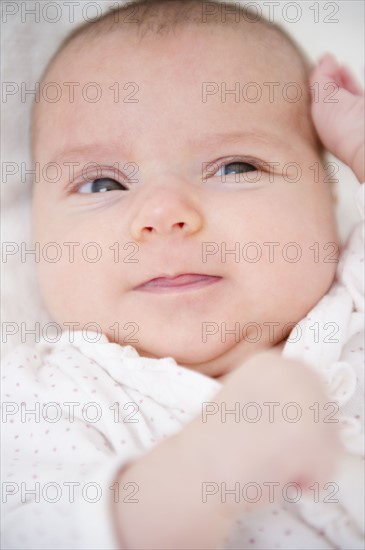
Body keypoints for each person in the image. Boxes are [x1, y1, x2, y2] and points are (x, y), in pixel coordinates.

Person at [2, 1, 364, 548]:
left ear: (327, 189)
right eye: (103, 184)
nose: (164, 214)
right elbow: (34, 530)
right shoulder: (48, 395)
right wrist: (212, 460)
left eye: (235, 167)